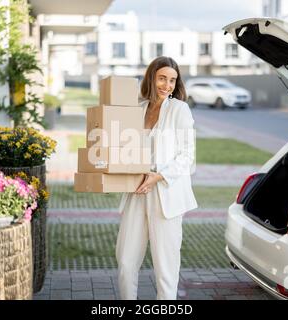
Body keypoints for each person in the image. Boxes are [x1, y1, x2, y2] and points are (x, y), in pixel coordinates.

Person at [116, 56, 198, 300]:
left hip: (166, 195)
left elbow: (188, 155)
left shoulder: (179, 109)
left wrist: (159, 175)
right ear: (151, 77)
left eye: (172, 80)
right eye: (162, 78)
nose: (167, 85)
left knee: (165, 269)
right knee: (126, 262)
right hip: (136, 192)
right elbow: (125, 149)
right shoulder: (138, 109)